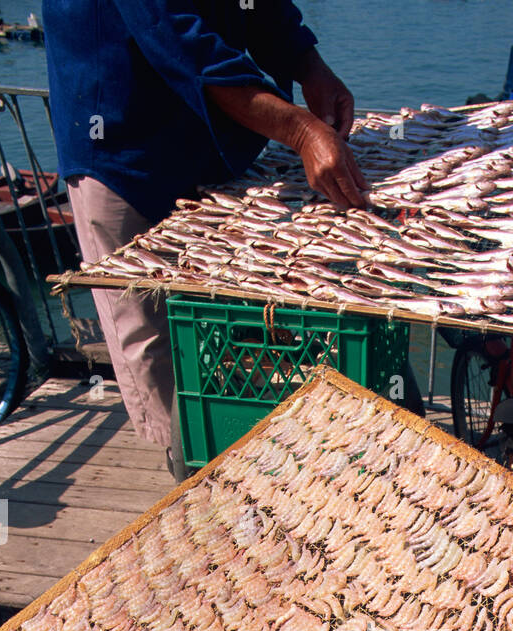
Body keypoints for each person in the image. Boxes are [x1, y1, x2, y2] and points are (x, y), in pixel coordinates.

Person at [44, 2, 367, 454]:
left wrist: (309, 65)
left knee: (227, 317)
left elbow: (257, 7)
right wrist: (302, 132)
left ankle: (248, 454)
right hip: (118, 151)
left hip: (205, 145)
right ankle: (188, 475)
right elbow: (178, 37)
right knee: (148, 336)